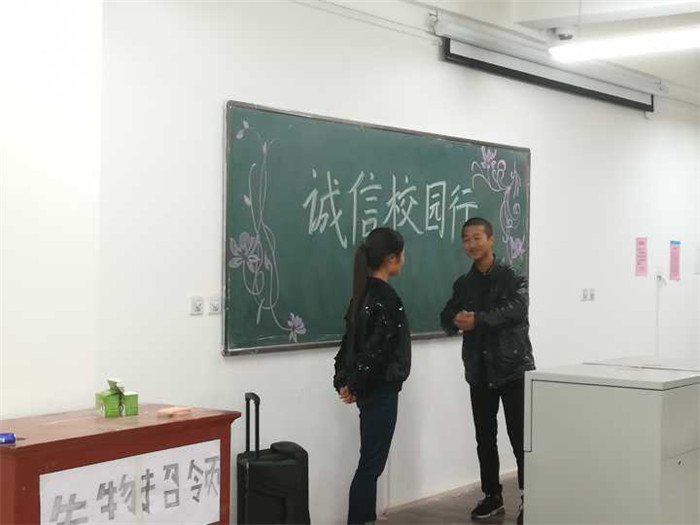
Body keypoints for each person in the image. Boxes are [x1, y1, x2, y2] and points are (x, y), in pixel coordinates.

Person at [440, 217, 534, 525]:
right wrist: (455, 319)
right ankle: (492, 495)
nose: (471, 244)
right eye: (466, 239)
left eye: (477, 237)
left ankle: (530, 496)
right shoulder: (463, 284)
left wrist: (477, 320)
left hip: (512, 368)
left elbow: (516, 310)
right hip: (479, 370)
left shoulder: (512, 278)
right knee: (485, 436)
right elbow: (446, 313)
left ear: (491, 239)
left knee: (520, 437)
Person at [333, 227, 411, 525]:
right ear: (391, 258)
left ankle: (365, 518)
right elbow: (376, 351)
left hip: (367, 390)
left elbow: (350, 345)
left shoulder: (361, 294)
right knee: (371, 464)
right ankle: (360, 519)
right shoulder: (386, 298)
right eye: (402, 255)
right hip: (380, 391)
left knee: (370, 461)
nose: (404, 260)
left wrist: (346, 382)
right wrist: (352, 383)